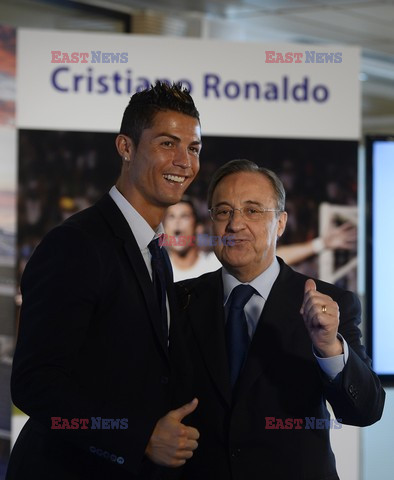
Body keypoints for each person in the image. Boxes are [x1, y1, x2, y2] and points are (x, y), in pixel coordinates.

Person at [7, 82, 202, 480]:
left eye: (194, 148)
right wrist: (140, 437)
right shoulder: (76, 243)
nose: (184, 161)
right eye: (168, 143)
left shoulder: (156, 252)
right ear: (126, 147)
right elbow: (34, 385)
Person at [175, 159, 385, 480]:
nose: (235, 225)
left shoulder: (330, 303)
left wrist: (329, 347)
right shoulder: (178, 301)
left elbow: (365, 410)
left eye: (253, 210)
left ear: (282, 223)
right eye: (223, 211)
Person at [163, 197, 220, 281]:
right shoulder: (157, 272)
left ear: (198, 227)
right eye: (171, 216)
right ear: (164, 228)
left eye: (184, 216)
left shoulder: (216, 266)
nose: (177, 222)